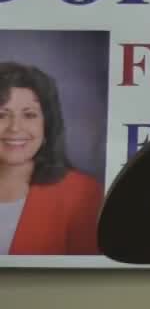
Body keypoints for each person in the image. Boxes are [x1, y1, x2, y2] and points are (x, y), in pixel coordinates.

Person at [0, 61, 103, 256]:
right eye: (1, 115)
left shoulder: (81, 193)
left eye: (29, 115)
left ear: (47, 125)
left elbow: (89, 281)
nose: (14, 128)